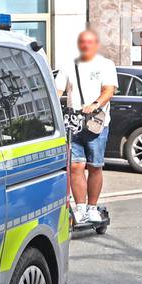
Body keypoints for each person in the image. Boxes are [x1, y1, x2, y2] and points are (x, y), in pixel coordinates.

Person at [55, 29, 117, 226]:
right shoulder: (69, 65)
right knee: (75, 166)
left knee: (95, 166)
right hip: (73, 123)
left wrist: (95, 104)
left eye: (90, 42)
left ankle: (92, 207)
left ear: (95, 44)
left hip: (96, 123)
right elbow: (58, 89)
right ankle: (80, 208)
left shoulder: (105, 65)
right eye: (83, 42)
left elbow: (108, 90)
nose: (86, 46)